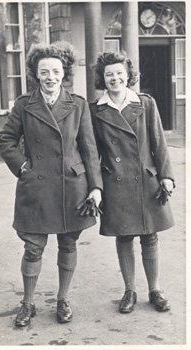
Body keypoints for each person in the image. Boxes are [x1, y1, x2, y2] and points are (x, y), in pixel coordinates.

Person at [0, 41, 102, 326]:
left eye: (56, 71)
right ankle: (28, 303)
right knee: (33, 246)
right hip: (37, 184)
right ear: (36, 73)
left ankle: (62, 299)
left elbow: (89, 149)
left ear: (64, 72)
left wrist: (96, 187)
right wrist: (22, 167)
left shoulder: (78, 104)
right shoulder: (24, 105)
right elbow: (5, 140)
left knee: (68, 243)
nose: (51, 77)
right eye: (45, 71)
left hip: (72, 186)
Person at [90, 50, 175, 314]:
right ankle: (129, 291)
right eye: (109, 74)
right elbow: (92, 152)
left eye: (119, 73)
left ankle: (155, 289)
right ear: (102, 79)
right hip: (115, 182)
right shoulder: (95, 110)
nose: (115, 78)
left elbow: (159, 142)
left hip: (145, 179)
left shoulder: (145, 103)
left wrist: (167, 176)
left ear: (128, 76)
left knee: (150, 236)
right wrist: (96, 185)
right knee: (124, 237)